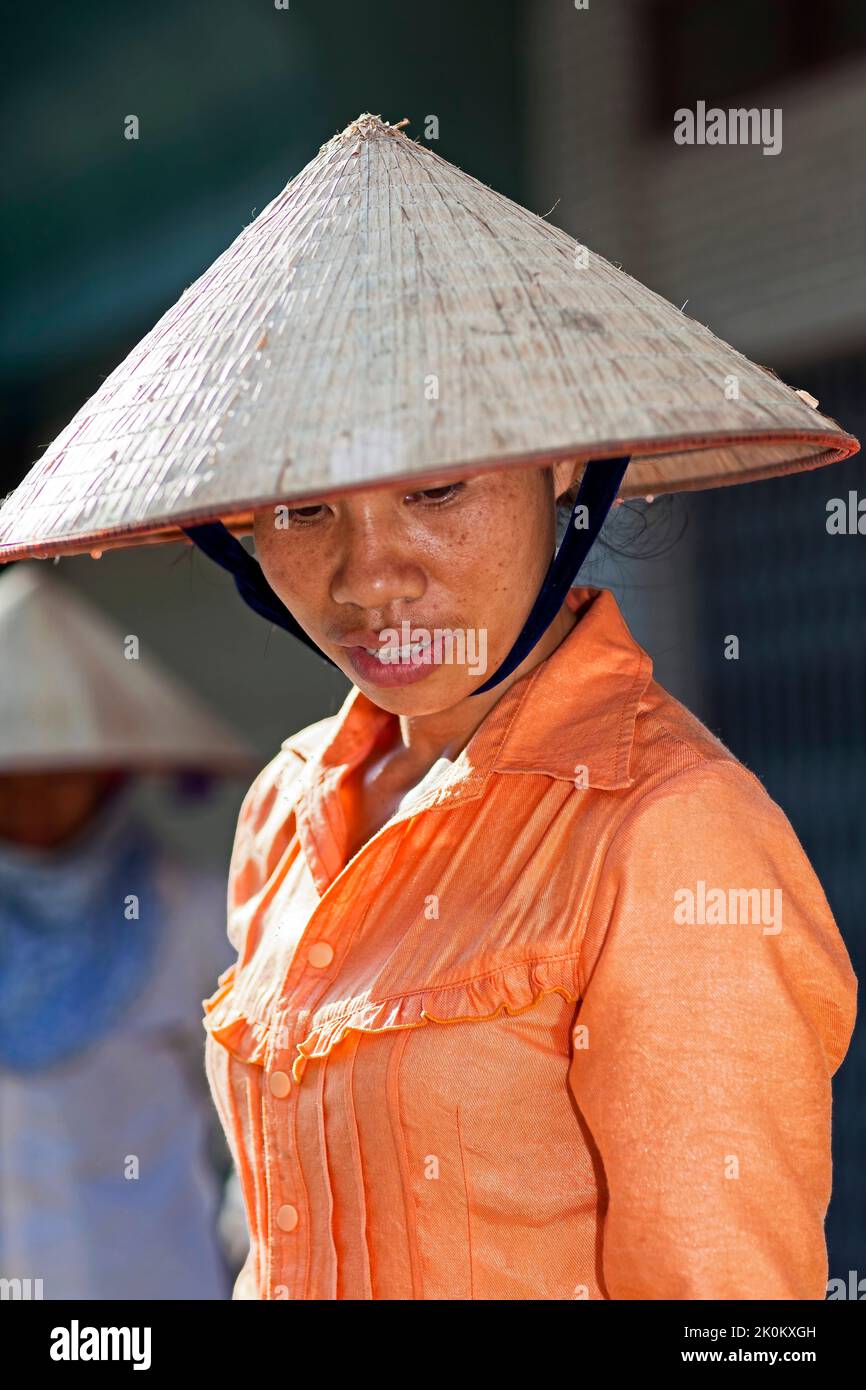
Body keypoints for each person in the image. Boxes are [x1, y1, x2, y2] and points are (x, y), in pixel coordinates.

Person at [0, 114, 858, 1300]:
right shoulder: (286, 810)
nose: (367, 579)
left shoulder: (667, 834)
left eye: (436, 489)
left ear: (566, 464)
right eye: (303, 513)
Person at [0, 563, 255, 1300]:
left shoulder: (201, 914)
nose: (37, 797)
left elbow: (263, 1118)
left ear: (113, 774)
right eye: (11, 773)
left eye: (64, 769)